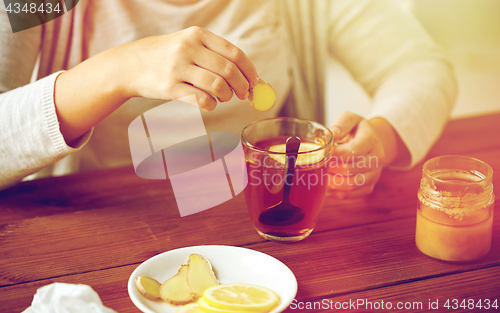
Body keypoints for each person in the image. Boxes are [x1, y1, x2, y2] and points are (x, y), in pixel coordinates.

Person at [0, 0, 457, 198]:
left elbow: (419, 65)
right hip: (95, 228)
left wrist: (381, 137)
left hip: (263, 223)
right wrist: (117, 70)